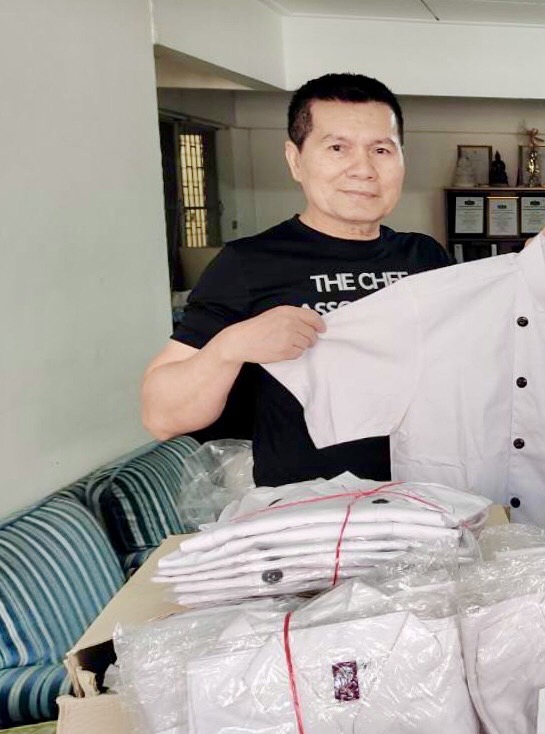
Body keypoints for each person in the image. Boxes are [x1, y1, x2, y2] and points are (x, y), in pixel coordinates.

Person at [141, 72, 453, 486]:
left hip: (428, 499)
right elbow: (160, 416)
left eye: (381, 149)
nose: (363, 169)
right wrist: (231, 346)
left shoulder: (427, 256)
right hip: (306, 512)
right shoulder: (247, 263)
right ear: (295, 160)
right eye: (337, 148)